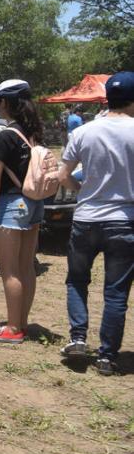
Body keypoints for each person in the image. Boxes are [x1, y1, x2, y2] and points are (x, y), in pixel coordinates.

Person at [58, 71, 134, 376]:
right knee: (116, 293)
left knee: (77, 280)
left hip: (87, 217)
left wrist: (82, 192)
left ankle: (77, 337)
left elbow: (64, 176)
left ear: (107, 99)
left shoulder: (83, 132)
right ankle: (107, 356)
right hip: (125, 220)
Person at [0, 80, 45, 344]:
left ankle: (13, 328)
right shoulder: (34, 134)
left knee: (10, 270)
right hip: (33, 203)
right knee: (27, 266)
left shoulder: (5, 137)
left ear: (5, 103)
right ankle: (22, 323)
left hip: (10, 205)